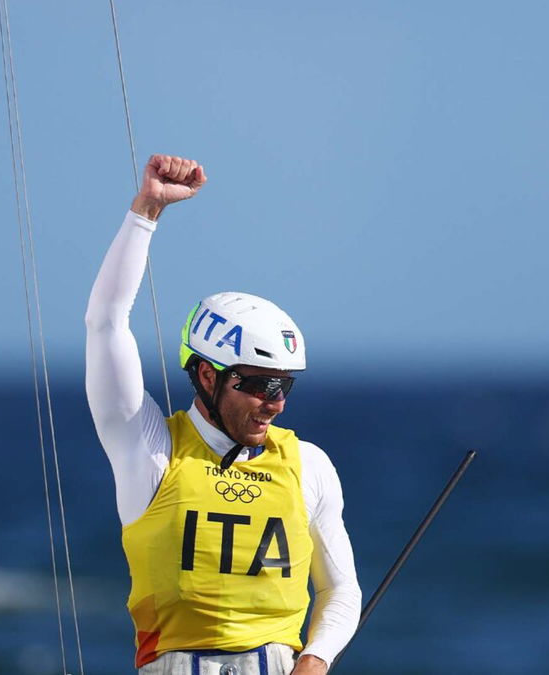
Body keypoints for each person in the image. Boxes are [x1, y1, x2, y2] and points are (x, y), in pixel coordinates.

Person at [84, 155, 361, 675]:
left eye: (283, 386)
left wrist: (315, 660)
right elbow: (106, 324)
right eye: (256, 385)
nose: (274, 403)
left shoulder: (310, 465)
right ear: (207, 377)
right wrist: (147, 210)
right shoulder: (149, 451)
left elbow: (340, 588)